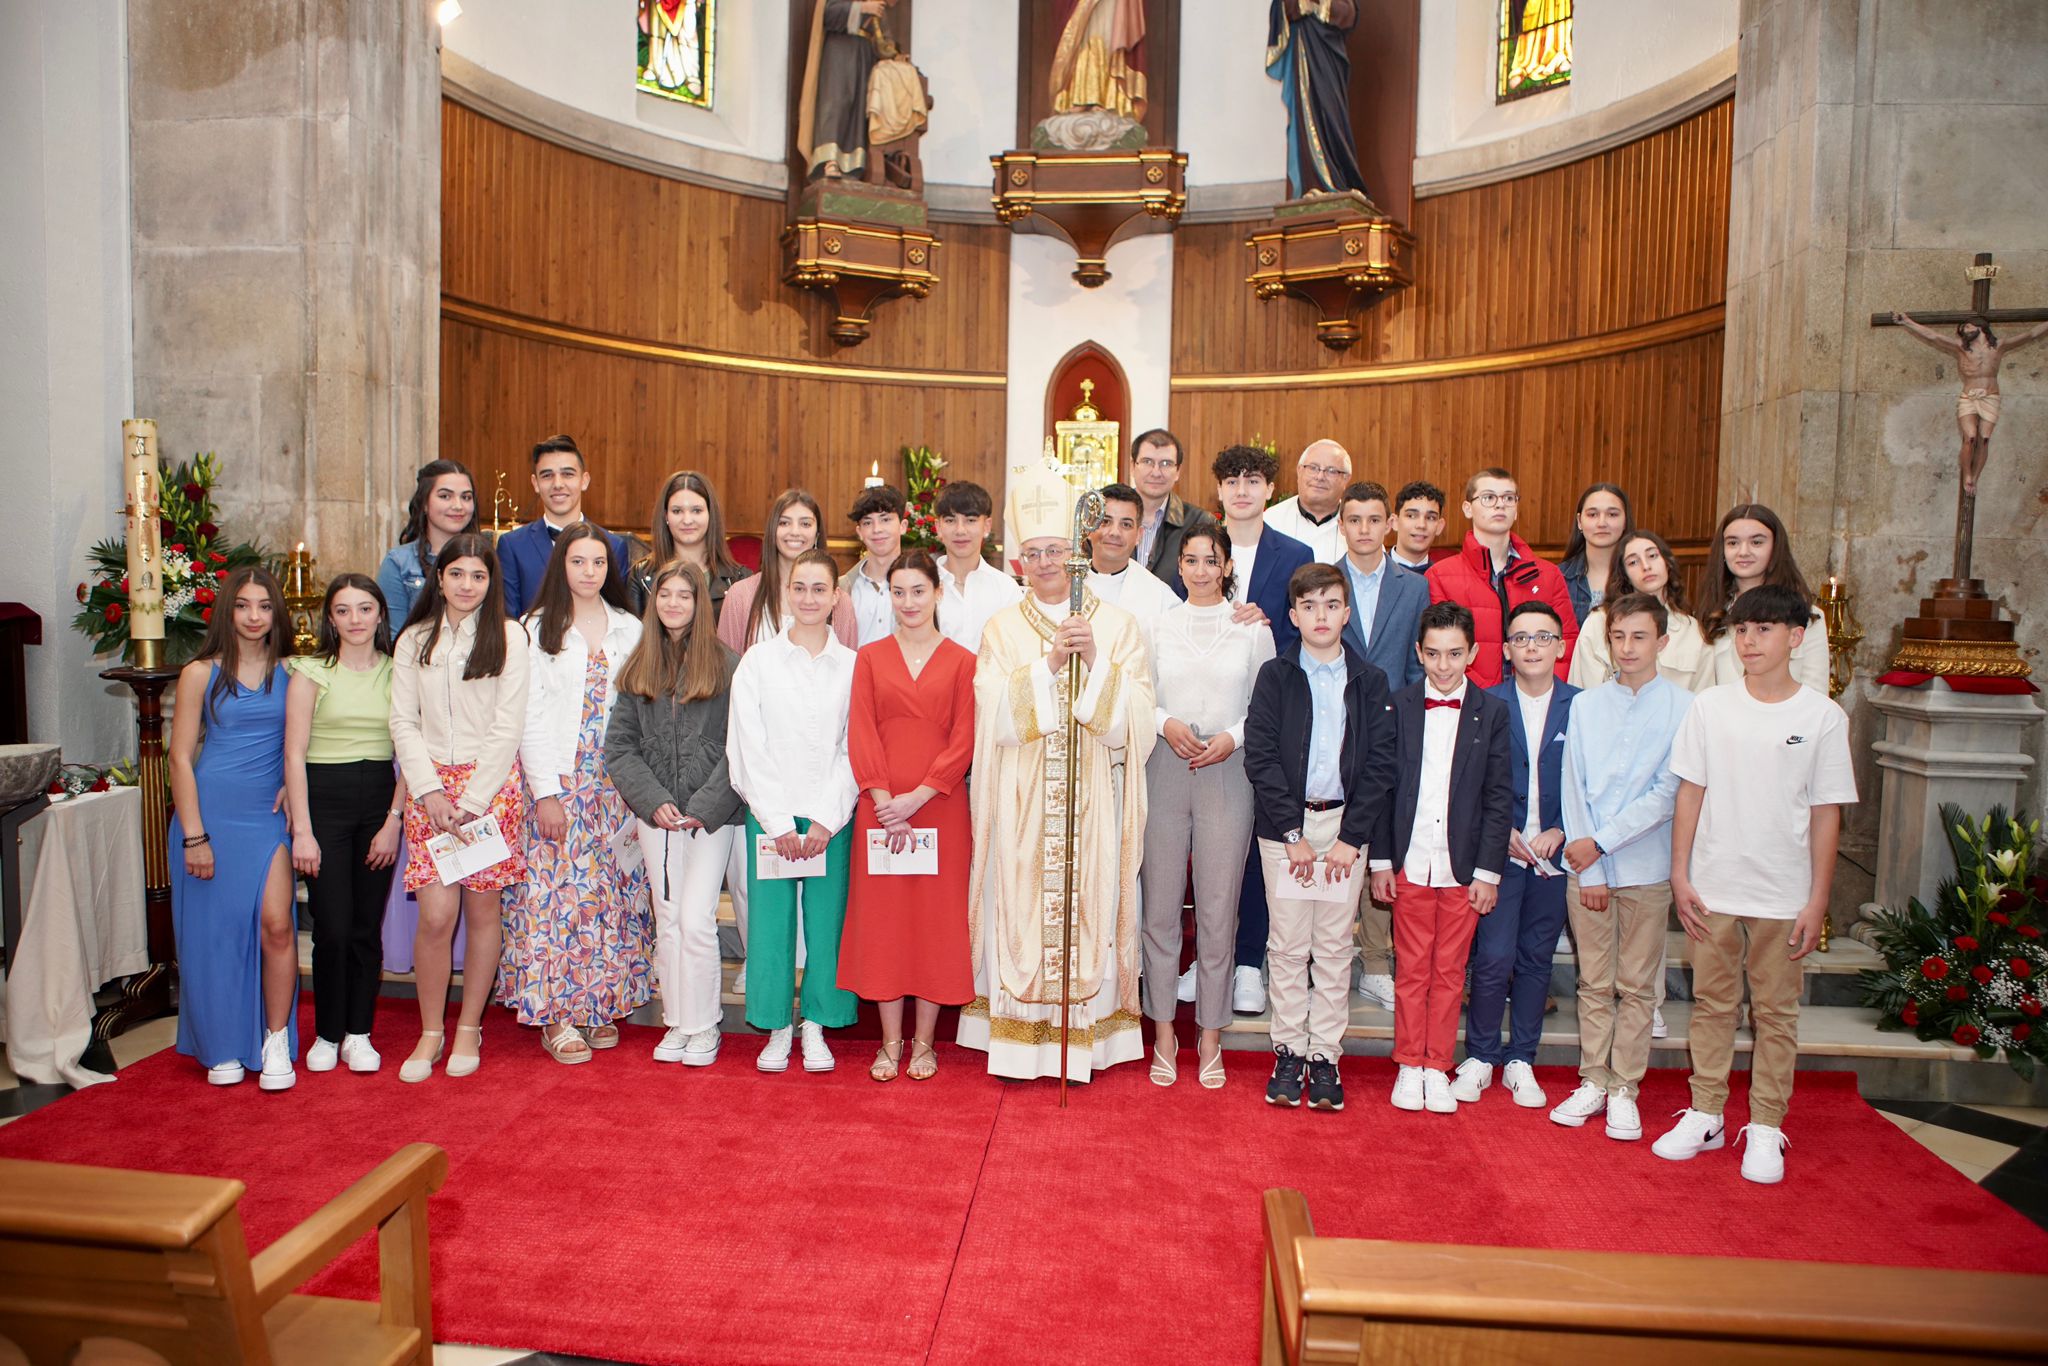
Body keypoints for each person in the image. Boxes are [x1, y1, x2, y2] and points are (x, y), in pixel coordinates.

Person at [1653, 584, 1857, 1184]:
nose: (1750, 641)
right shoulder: (1711, 707)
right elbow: (1691, 791)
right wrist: (1680, 872)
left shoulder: (1821, 716)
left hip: (1782, 891)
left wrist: (1817, 900)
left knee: (1775, 1012)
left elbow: (1826, 812)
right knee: (1714, 1006)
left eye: (1764, 630)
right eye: (1742, 630)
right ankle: (1707, 1111)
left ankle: (1766, 1124)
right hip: (1714, 885)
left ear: (1796, 637)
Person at [960, 464, 1154, 1082]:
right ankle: (1020, 1045)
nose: (1045, 563)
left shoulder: (1118, 626)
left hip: (1093, 795)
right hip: (1022, 800)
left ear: (1078, 553)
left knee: (1090, 902)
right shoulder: (1000, 628)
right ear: (1018, 561)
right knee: (1020, 911)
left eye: (1056, 551)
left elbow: (1137, 725)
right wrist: (1047, 665)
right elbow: (991, 715)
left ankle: (1084, 1044)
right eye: (1033, 553)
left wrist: (1095, 659)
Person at [1246, 564, 1397, 1111]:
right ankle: (1288, 1049)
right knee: (1287, 947)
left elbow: (1381, 765)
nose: (1321, 616)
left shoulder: (1370, 680)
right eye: (1309, 606)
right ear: (1293, 616)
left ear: (1347, 613)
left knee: (1333, 949)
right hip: (1286, 830)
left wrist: (1350, 839)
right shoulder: (1275, 676)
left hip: (1342, 833)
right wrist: (1292, 833)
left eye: (1331, 605)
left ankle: (1325, 1056)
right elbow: (1260, 758)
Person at [501, 524, 651, 1065]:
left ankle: (597, 1005)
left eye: (598, 563)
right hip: (559, 781)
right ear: (560, 566)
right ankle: (556, 1013)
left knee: (609, 897)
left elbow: (644, 709)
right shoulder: (534, 629)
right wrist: (544, 792)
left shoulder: (631, 628)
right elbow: (528, 715)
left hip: (615, 783)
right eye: (577, 561)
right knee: (554, 900)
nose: (588, 572)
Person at [1547, 592, 1692, 1137]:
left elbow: (1666, 794)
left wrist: (1601, 844)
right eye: (1618, 636)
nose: (1628, 648)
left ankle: (1624, 1086)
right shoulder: (1585, 705)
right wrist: (1590, 865)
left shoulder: (1685, 707)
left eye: (1639, 637)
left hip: (1647, 868)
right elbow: (1573, 786)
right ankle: (1592, 1079)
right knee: (1593, 981)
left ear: (1662, 641)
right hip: (1588, 870)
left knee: (1636, 986)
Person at [389, 533, 531, 1082]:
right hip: (431, 792)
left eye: (478, 575)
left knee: (481, 912)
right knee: (436, 915)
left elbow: (508, 723)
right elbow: (403, 720)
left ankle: (469, 1025)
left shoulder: (509, 636)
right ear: (439, 578)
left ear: (490, 581)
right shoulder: (414, 639)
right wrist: (429, 792)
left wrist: (473, 800)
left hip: (489, 791)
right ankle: (430, 1030)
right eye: (457, 574)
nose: (467, 585)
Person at [1369, 601, 1513, 1114]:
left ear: (1473, 652)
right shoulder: (1398, 705)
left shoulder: (1492, 712)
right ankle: (1409, 1063)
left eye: (1455, 653)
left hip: (1463, 865)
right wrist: (1381, 862)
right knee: (1410, 969)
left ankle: (1436, 1064)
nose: (1444, 665)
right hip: (1410, 860)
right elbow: (1382, 789)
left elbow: (1499, 796)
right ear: (1418, 653)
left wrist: (1489, 872)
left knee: (1450, 971)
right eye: (1433, 654)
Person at [1143, 525, 1273, 1088]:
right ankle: (1166, 1032)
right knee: (1161, 909)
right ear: (1180, 567)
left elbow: (1265, 702)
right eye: (1190, 560)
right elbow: (1140, 694)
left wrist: (1234, 737)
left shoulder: (1250, 628)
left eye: (1210, 560)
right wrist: (1164, 723)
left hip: (1227, 771)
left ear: (1225, 566)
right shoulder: (1157, 625)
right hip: (1164, 766)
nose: (1199, 569)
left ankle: (1212, 1035)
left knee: (1219, 911)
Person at [842, 550, 978, 1081]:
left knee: (933, 924)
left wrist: (918, 798)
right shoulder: (870, 658)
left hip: (940, 809)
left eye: (918, 591)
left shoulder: (964, 661)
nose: (908, 602)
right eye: (898, 592)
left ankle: (925, 1043)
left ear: (938, 593)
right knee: (886, 924)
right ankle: (890, 1043)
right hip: (880, 808)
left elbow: (964, 739)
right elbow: (861, 731)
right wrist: (882, 801)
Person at [605, 561, 745, 1066]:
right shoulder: (639, 663)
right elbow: (619, 747)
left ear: (701, 603)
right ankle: (677, 1023)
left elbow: (738, 748)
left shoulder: (728, 665)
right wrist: (653, 800)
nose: (673, 604)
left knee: (695, 917)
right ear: (654, 601)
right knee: (668, 919)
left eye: (684, 595)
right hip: (656, 816)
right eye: (665, 594)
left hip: (710, 817)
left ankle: (705, 1025)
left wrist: (703, 807)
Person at [727, 549, 860, 1074]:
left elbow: (855, 746)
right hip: (772, 814)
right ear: (787, 594)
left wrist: (828, 818)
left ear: (835, 597)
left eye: (819, 589)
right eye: (799, 587)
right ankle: (778, 1026)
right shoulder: (758, 662)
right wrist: (778, 822)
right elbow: (746, 745)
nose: (808, 598)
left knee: (828, 928)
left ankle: (818, 1026)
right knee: (771, 927)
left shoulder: (853, 666)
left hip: (832, 815)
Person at [168, 568, 297, 1089]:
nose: (253, 616)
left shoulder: (294, 671)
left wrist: (297, 783)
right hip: (212, 814)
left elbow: (307, 741)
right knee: (215, 936)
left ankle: (275, 1039)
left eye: (264, 606)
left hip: (266, 819)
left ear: (277, 613)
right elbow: (179, 758)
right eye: (243, 605)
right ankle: (221, 1043)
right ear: (228, 610)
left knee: (278, 925)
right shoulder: (200, 672)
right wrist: (194, 835)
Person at [1451, 602, 1576, 1109]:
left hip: (1554, 856)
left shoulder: (1580, 706)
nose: (1531, 646)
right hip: (1499, 853)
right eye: (1520, 638)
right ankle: (1480, 1055)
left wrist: (1563, 829)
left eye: (1542, 637)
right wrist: (1496, 831)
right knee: (1493, 955)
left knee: (1535, 957)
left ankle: (1521, 1057)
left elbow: (1591, 784)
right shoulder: (1486, 702)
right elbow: (1467, 784)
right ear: (1505, 650)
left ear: (1561, 646)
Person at [284, 574, 404, 1076]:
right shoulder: (311, 672)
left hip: (379, 798)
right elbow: (292, 753)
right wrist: (304, 830)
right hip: (324, 801)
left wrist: (393, 820)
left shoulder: (400, 673)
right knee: (330, 927)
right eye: (343, 610)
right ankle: (327, 1033)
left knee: (364, 928)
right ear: (329, 618)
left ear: (380, 614)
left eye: (364, 608)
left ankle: (358, 1032)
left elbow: (411, 752)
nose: (355, 620)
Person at [1213, 443, 1316, 1015]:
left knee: (1260, 842)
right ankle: (1211, 961)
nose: (1243, 489)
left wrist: (1272, 624)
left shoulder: (1295, 551)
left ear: (1270, 489)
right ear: (1220, 491)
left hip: (1273, 717)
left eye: (1254, 479)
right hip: (1208, 719)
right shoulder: (1198, 547)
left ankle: (1250, 962)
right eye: (1232, 480)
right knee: (1209, 847)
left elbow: (1316, 629)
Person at [1330, 479, 1428, 1012]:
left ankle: (1375, 961)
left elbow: (1415, 663)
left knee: (1382, 844)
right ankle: (1327, 952)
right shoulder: (1325, 581)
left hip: (1391, 731)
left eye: (1374, 519)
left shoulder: (1413, 587)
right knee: (1337, 834)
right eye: (1354, 520)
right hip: (1335, 729)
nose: (1364, 530)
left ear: (1388, 524)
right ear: (1340, 525)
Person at [1427, 466, 1579, 687]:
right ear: (1468, 509)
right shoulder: (1440, 576)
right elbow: (1441, 647)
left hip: (1535, 700)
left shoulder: (1548, 575)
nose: (1500, 504)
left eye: (1508, 498)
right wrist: (1485, 700)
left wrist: (1541, 691)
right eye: (1488, 497)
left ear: (1516, 510)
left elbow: (1567, 643)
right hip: (1472, 702)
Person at [1701, 503, 1829, 694]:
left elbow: (1815, 694)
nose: (1743, 551)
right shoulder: (1711, 613)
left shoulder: (1807, 616)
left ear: (1775, 548)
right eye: (1733, 542)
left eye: (1757, 542)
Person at [496, 436, 627, 618]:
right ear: (535, 483)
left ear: (584, 480)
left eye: (568, 474)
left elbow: (617, 616)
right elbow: (509, 621)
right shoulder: (512, 546)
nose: (558, 484)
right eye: (547, 475)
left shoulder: (614, 546)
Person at [1569, 530, 1712, 693]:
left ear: (1667, 562)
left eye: (1652, 556)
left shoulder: (1693, 632)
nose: (1646, 566)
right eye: (1633, 562)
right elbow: (1581, 694)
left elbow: (1703, 703)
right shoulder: (1599, 623)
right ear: (1624, 574)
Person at [720, 488, 860, 654]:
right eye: (784, 523)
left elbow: (847, 671)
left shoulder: (839, 603)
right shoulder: (741, 595)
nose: (795, 532)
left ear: (817, 535)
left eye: (805, 524)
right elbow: (726, 669)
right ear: (773, 531)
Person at [1265, 0, 1369, 200]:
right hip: (1303, 47)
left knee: (1333, 115)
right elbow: (1282, 8)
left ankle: (1342, 180)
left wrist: (1320, 5)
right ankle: (1313, 183)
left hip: (1330, 55)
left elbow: (1349, 13)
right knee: (1306, 114)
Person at [627, 470, 751, 619]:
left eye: (696, 511)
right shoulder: (641, 575)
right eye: (677, 511)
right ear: (666, 516)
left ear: (710, 514)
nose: (687, 520)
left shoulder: (739, 579)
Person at [376, 459, 477, 627]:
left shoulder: (486, 558)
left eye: (466, 497)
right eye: (445, 496)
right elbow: (393, 636)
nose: (458, 506)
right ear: (424, 503)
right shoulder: (399, 562)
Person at [1085, 481, 1181, 657]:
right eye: (1105, 521)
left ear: (1139, 535)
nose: (1114, 532)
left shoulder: (1162, 600)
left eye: (1126, 525)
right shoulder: (1067, 585)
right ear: (1090, 528)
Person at [933, 480, 1021, 655]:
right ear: (938, 528)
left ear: (986, 526)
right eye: (950, 520)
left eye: (970, 520)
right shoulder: (923, 585)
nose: (960, 530)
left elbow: (1016, 648)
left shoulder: (1005, 588)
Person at [1129, 428, 1213, 595]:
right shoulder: (1107, 519)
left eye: (1166, 464)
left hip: (1176, 619)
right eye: (1147, 461)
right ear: (1133, 466)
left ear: (1178, 471)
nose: (1156, 472)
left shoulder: (1199, 522)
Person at [1261, 439, 1351, 564]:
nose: (1320, 477)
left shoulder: (1358, 526)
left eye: (1331, 471)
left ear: (1346, 479)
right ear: (1299, 471)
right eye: (1313, 468)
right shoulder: (1270, 520)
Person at [1556, 483, 1634, 625]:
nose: (1602, 523)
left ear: (1625, 521)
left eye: (1612, 514)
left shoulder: (1640, 576)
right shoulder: (1558, 577)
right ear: (1580, 521)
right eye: (1592, 514)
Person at [842, 484, 908, 646]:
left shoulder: (922, 586)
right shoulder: (843, 589)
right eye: (867, 523)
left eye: (885, 520)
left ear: (903, 526)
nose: (877, 529)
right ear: (859, 533)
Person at [1388, 480, 1446, 573]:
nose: (1421, 525)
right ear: (1394, 522)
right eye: (1411, 516)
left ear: (1439, 526)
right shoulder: (1372, 574)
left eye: (1430, 517)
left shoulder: (1443, 580)